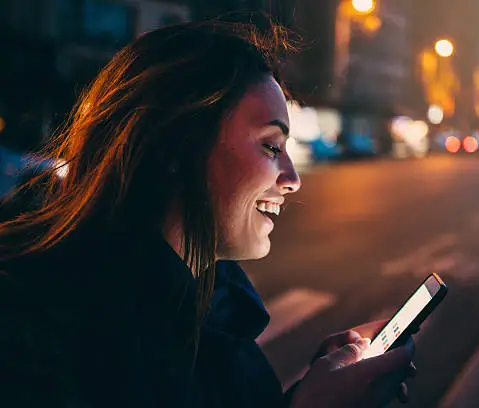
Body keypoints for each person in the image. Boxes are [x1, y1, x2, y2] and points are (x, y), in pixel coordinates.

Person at [0, 14, 416, 407]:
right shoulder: (31, 324)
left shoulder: (213, 309)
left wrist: (314, 393)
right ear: (176, 147)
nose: (293, 178)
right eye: (271, 146)